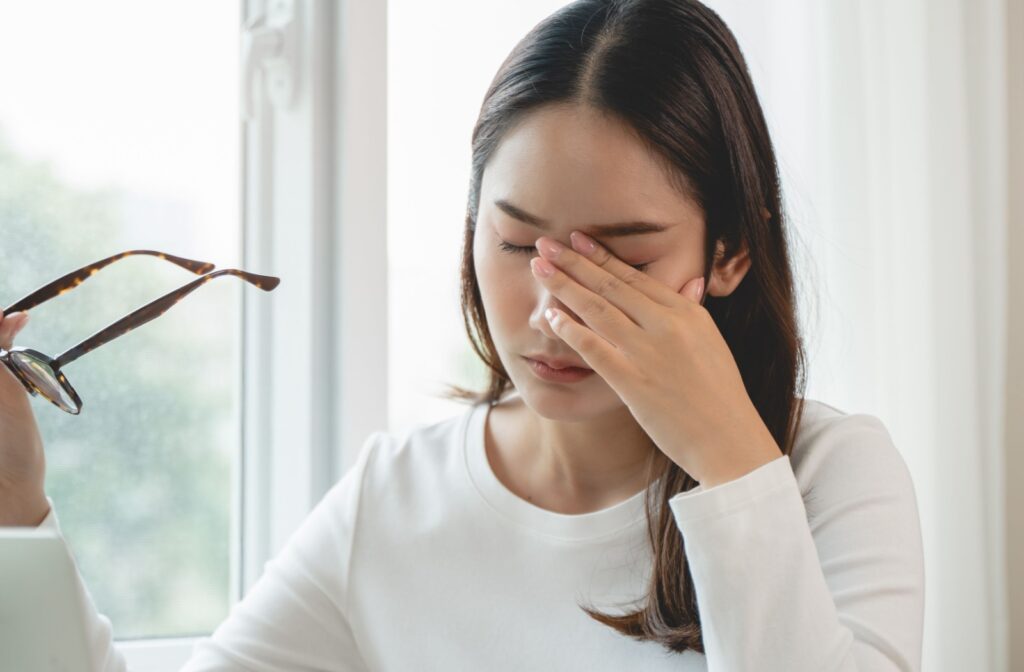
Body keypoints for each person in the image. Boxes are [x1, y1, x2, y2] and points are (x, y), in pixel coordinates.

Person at [0, 0, 925, 669]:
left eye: (620, 263)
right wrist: (17, 509)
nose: (551, 305)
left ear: (728, 254)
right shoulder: (396, 499)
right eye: (518, 241)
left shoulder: (831, 477)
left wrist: (729, 461)